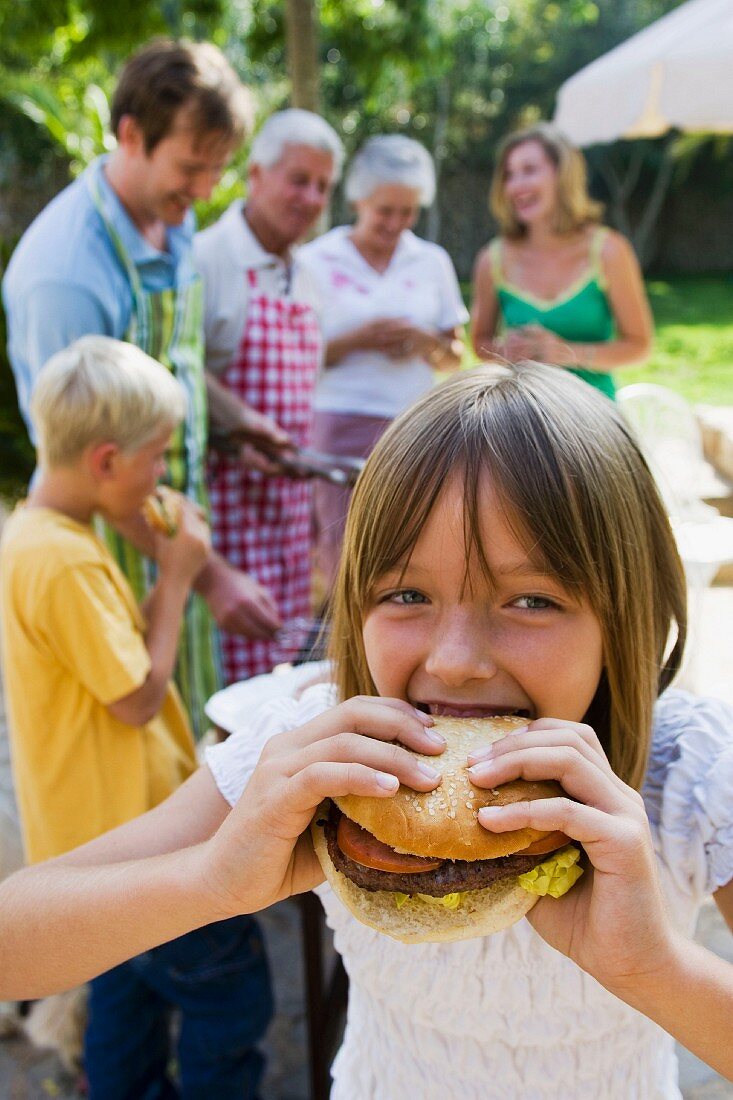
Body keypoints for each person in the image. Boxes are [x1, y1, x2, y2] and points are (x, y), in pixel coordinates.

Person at [0, 363, 730, 1095]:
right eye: (407, 594)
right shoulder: (317, 755)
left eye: (531, 600)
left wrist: (654, 969)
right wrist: (213, 878)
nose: (454, 662)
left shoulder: (688, 771)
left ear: (624, 614)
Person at [0, 336, 273, 1100]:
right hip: (132, 843)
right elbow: (139, 695)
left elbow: (120, 664)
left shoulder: (44, 538)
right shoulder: (66, 562)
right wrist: (182, 574)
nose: (162, 476)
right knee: (231, 990)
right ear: (108, 461)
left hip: (91, 841)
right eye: (157, 458)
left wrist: (165, 564)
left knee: (123, 1004)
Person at [2, 39, 281, 739]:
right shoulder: (66, 273)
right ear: (131, 133)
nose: (205, 190)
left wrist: (235, 418)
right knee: (127, 735)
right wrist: (209, 576)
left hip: (171, 534)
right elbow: (84, 461)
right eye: (192, 166)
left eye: (218, 169)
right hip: (114, 551)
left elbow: (173, 358)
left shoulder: (172, 219)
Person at [194, 109, 344, 683]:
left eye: (322, 186)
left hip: (285, 517)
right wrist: (237, 429)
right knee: (224, 688)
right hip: (225, 515)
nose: (310, 197)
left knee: (278, 684)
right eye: (298, 179)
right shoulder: (208, 261)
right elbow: (173, 373)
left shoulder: (307, 277)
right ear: (256, 174)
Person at [299, 134, 467, 588]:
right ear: (359, 200)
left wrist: (422, 341)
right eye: (385, 211)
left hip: (413, 425)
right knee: (339, 552)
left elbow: (454, 358)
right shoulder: (314, 261)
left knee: (411, 546)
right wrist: (356, 339)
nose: (396, 223)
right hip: (337, 425)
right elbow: (295, 361)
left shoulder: (431, 261)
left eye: (407, 212)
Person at [471, 122, 653, 400]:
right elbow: (479, 342)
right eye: (509, 175)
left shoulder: (608, 251)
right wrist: (508, 352)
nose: (516, 185)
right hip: (523, 418)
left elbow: (639, 346)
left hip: (595, 418)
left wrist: (566, 353)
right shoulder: (491, 259)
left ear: (562, 175)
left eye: (529, 170)